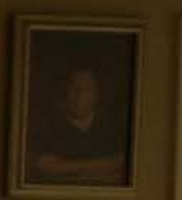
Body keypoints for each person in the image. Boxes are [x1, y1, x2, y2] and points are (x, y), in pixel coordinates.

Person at [28, 54, 130, 185]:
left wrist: (69, 167)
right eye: (74, 88)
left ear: (96, 95)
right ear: (65, 91)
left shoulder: (112, 125)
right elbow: (45, 165)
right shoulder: (48, 125)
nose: (79, 95)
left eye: (87, 89)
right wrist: (103, 165)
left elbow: (122, 164)